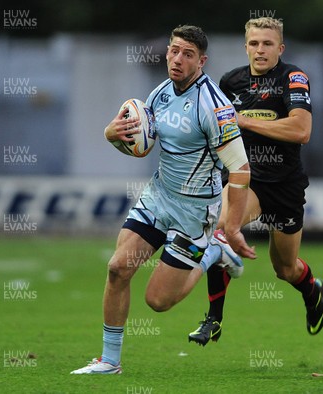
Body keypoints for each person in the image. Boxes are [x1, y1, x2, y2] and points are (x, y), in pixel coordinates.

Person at [71, 25, 256, 374]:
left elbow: (241, 170)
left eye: (187, 54)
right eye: (173, 50)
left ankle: (214, 250)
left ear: (201, 61)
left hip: (194, 211)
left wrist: (231, 227)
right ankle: (110, 361)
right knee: (117, 269)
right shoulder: (159, 94)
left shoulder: (214, 107)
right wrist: (110, 134)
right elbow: (141, 147)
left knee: (157, 301)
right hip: (157, 197)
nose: (177, 59)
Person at [187, 17, 323, 346]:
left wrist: (244, 120)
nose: (260, 50)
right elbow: (215, 129)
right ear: (246, 46)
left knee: (285, 269)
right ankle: (214, 318)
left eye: (267, 44)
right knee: (219, 229)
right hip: (245, 178)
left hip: (285, 185)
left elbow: (301, 130)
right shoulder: (230, 81)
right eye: (254, 43)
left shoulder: (293, 78)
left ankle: (311, 289)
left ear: (280, 48)